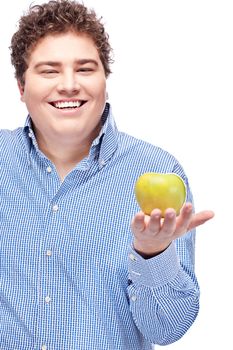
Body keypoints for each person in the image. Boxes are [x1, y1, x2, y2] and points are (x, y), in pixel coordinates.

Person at [0, 1, 214, 349]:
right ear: (21, 87)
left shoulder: (157, 171)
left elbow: (167, 330)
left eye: (85, 69)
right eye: (49, 71)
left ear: (104, 79)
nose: (69, 85)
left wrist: (153, 253)